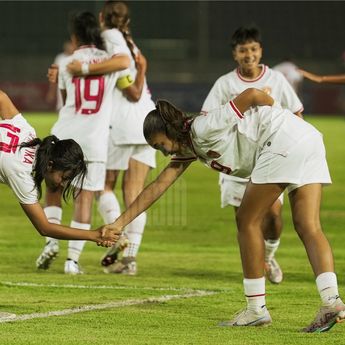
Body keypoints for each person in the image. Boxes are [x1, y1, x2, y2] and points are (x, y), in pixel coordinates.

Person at [103, 87, 345, 332]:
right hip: (308, 138)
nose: (164, 152)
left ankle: (255, 309)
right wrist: (119, 223)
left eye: (160, 145)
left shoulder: (203, 127)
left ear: (169, 131)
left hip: (283, 139)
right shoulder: (190, 147)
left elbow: (251, 94)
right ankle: (331, 301)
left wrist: (277, 117)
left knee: (247, 220)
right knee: (308, 226)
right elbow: (157, 187)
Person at [0, 89, 120, 319]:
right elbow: (45, 227)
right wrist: (93, 235)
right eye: (64, 178)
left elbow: (2, 98)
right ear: (51, 164)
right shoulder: (21, 172)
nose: (63, 185)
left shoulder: (28, 133)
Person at [202, 26, 304, 284]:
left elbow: (296, 113)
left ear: (261, 51)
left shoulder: (276, 80)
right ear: (235, 54)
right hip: (236, 162)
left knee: (273, 216)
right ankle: (254, 273)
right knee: (244, 219)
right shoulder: (225, 84)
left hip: (270, 158)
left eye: (253, 49)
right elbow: (207, 118)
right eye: (243, 50)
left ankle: (268, 256)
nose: (249, 55)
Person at [35, 11, 131, 274]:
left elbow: (65, 99)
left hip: (66, 134)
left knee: (53, 189)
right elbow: (125, 63)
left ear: (74, 35)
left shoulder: (67, 62)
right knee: (84, 199)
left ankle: (50, 242)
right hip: (94, 140)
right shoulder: (110, 61)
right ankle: (72, 262)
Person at [67, 1, 156, 276]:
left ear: (103, 17)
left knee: (104, 186)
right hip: (146, 120)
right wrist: (138, 74)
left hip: (122, 121)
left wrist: (80, 69)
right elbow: (136, 83)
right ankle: (129, 258)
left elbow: (125, 81)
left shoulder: (108, 37)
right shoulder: (131, 41)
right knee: (135, 193)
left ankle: (121, 238)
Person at [45, 40, 75, 111]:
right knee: (62, 108)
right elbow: (53, 76)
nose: (69, 47)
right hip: (61, 88)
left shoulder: (77, 57)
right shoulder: (60, 58)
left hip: (73, 87)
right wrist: (51, 92)